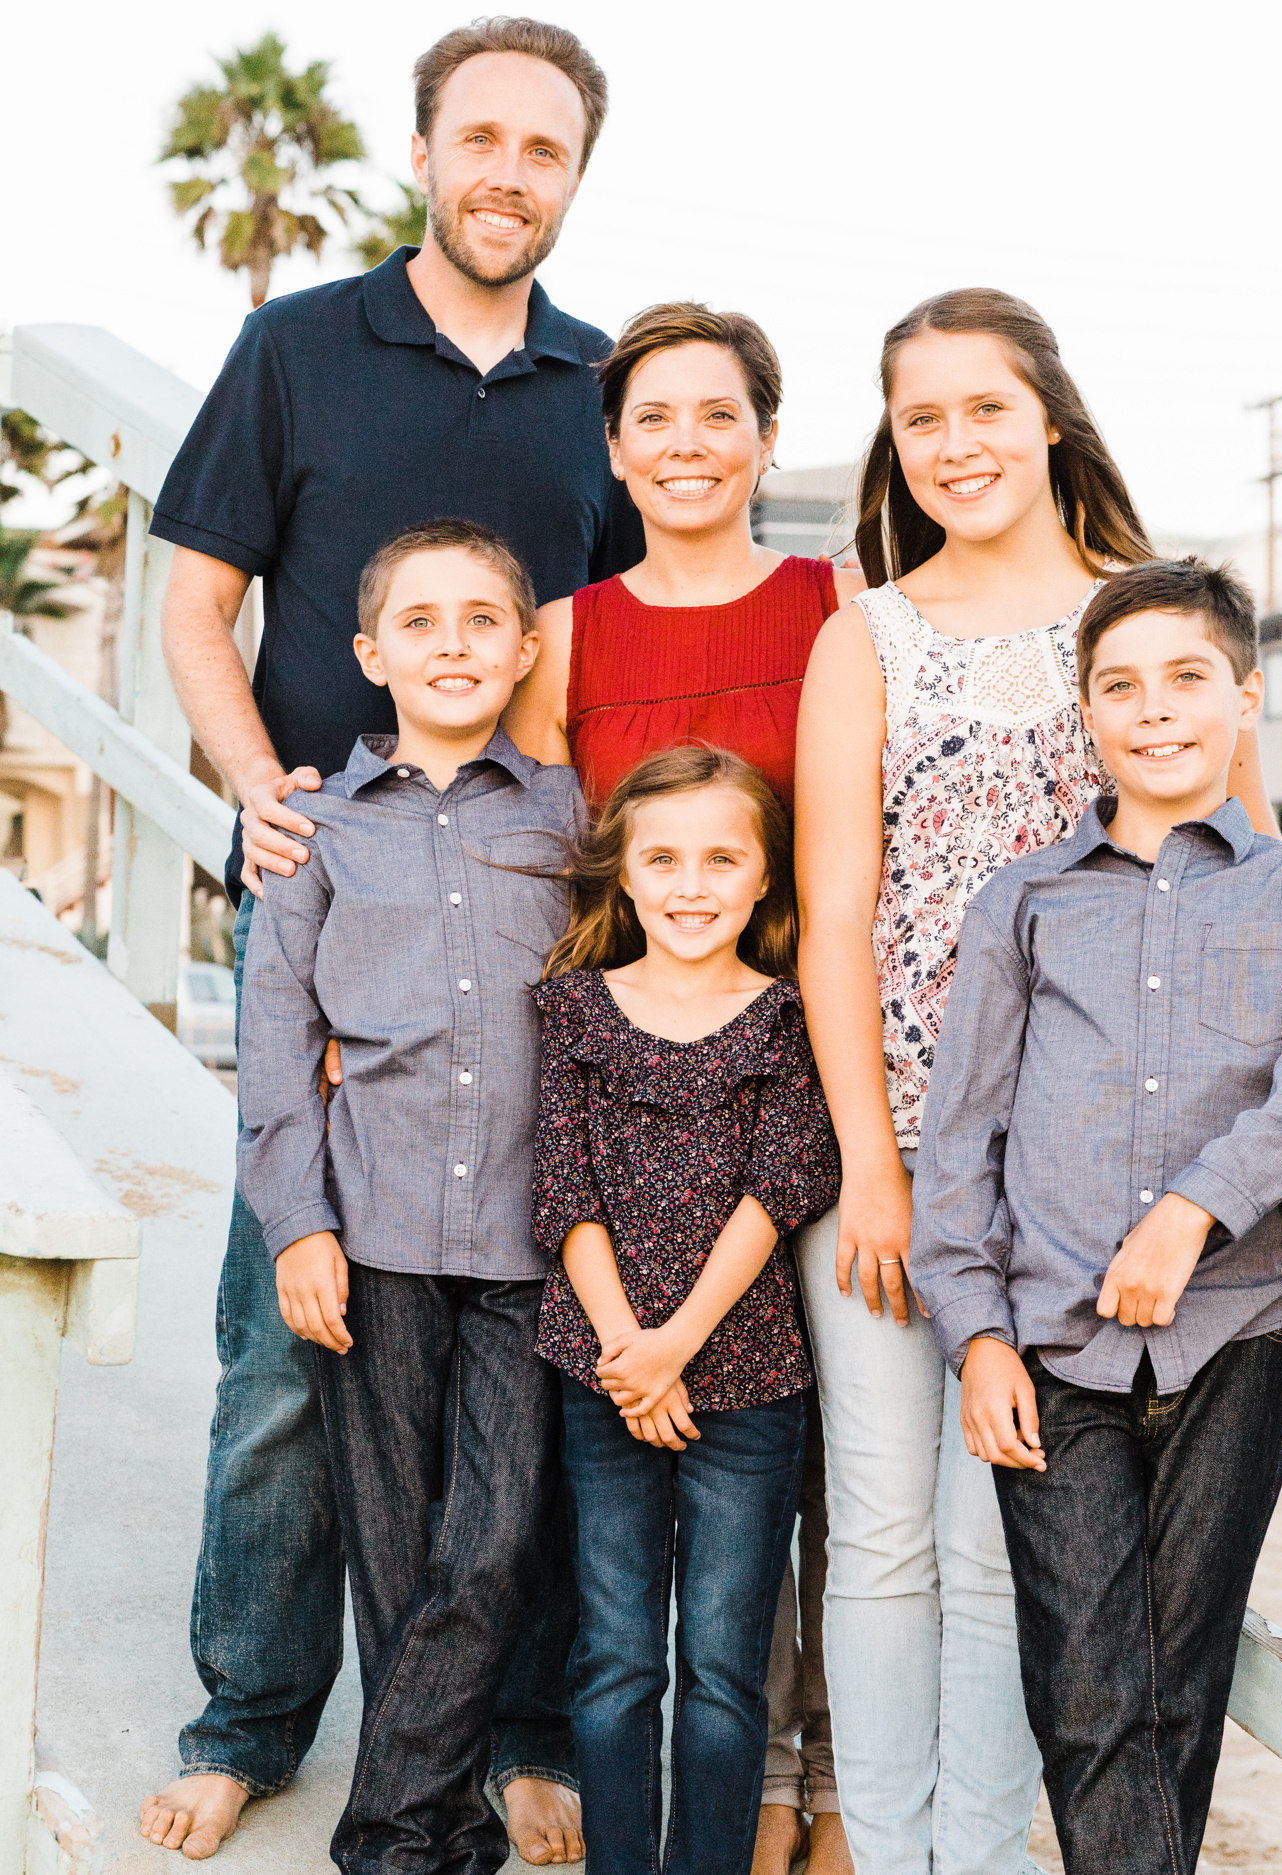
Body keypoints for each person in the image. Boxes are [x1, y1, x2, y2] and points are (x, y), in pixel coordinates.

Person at [141, 19, 641, 1864]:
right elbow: (196, 599)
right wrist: (264, 780)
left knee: (535, 1350)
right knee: (286, 1349)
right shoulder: (294, 350)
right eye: (483, 137)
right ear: (423, 149)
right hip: (336, 901)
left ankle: (515, 1724)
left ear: (575, 176)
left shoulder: (608, 387)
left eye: (547, 150)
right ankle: (250, 1715)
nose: (511, 172)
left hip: (527, 924)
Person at [793, 290, 1280, 1874]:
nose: (954, 444)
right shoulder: (863, 632)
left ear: (1048, 415)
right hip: (896, 1162)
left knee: (1015, 1548)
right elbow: (837, 922)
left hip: (1085, 1193)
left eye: (983, 408)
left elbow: (1247, 896)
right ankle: (890, 1841)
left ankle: (987, 1859)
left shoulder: (1146, 636)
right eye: (919, 417)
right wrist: (873, 1160)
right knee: (876, 1534)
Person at [908, 557, 1282, 1875]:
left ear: (1243, 694)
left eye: (1187, 677)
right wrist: (976, 1333)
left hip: (1232, 1335)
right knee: (1083, 1692)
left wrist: (1197, 1203)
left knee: (1175, 1691)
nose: (1155, 709)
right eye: (1119, 685)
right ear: (1086, 712)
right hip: (1051, 1345)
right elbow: (957, 1140)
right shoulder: (1024, 899)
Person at [504, 300, 863, 1874]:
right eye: (654, 417)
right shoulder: (573, 628)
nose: (686, 445)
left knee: (822, 1491)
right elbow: (524, 847)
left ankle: (815, 1783)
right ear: (614, 448)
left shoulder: (837, 605)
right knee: (622, 1599)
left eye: (719, 415)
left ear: (767, 442)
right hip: (623, 1061)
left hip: (804, 1049)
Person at [234, 518, 582, 1873]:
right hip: (369, 1233)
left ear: (524, 648)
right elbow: (274, 1048)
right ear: (371, 652)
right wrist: (298, 1225)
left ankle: (382, 1835)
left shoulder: (565, 813)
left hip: (526, 1243)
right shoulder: (312, 829)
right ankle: (434, 1840)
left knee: (491, 1538)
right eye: (421, 622)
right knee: (393, 1554)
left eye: (482, 619)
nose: (452, 643)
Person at [529, 745, 841, 1875]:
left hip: (747, 1379)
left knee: (720, 1663)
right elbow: (561, 1191)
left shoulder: (789, 1017)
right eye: (661, 858)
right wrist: (627, 1350)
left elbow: (780, 1186)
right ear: (622, 875)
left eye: (721, 857)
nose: (691, 884)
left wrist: (675, 1348)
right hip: (602, 1374)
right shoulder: (570, 1011)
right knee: (615, 1655)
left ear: (765, 878)